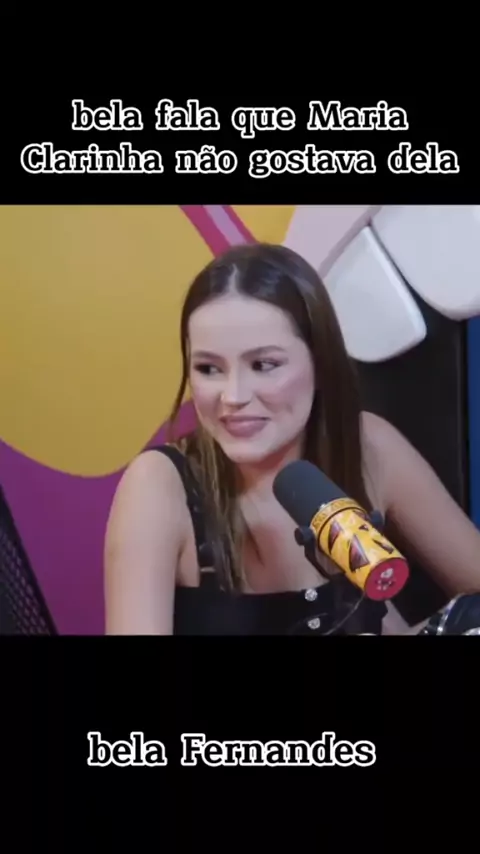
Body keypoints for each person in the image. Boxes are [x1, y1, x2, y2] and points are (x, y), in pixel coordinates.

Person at [104, 242, 480, 635]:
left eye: (263, 364)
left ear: (319, 362)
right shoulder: (158, 484)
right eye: (209, 368)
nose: (233, 396)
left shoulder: (369, 446)